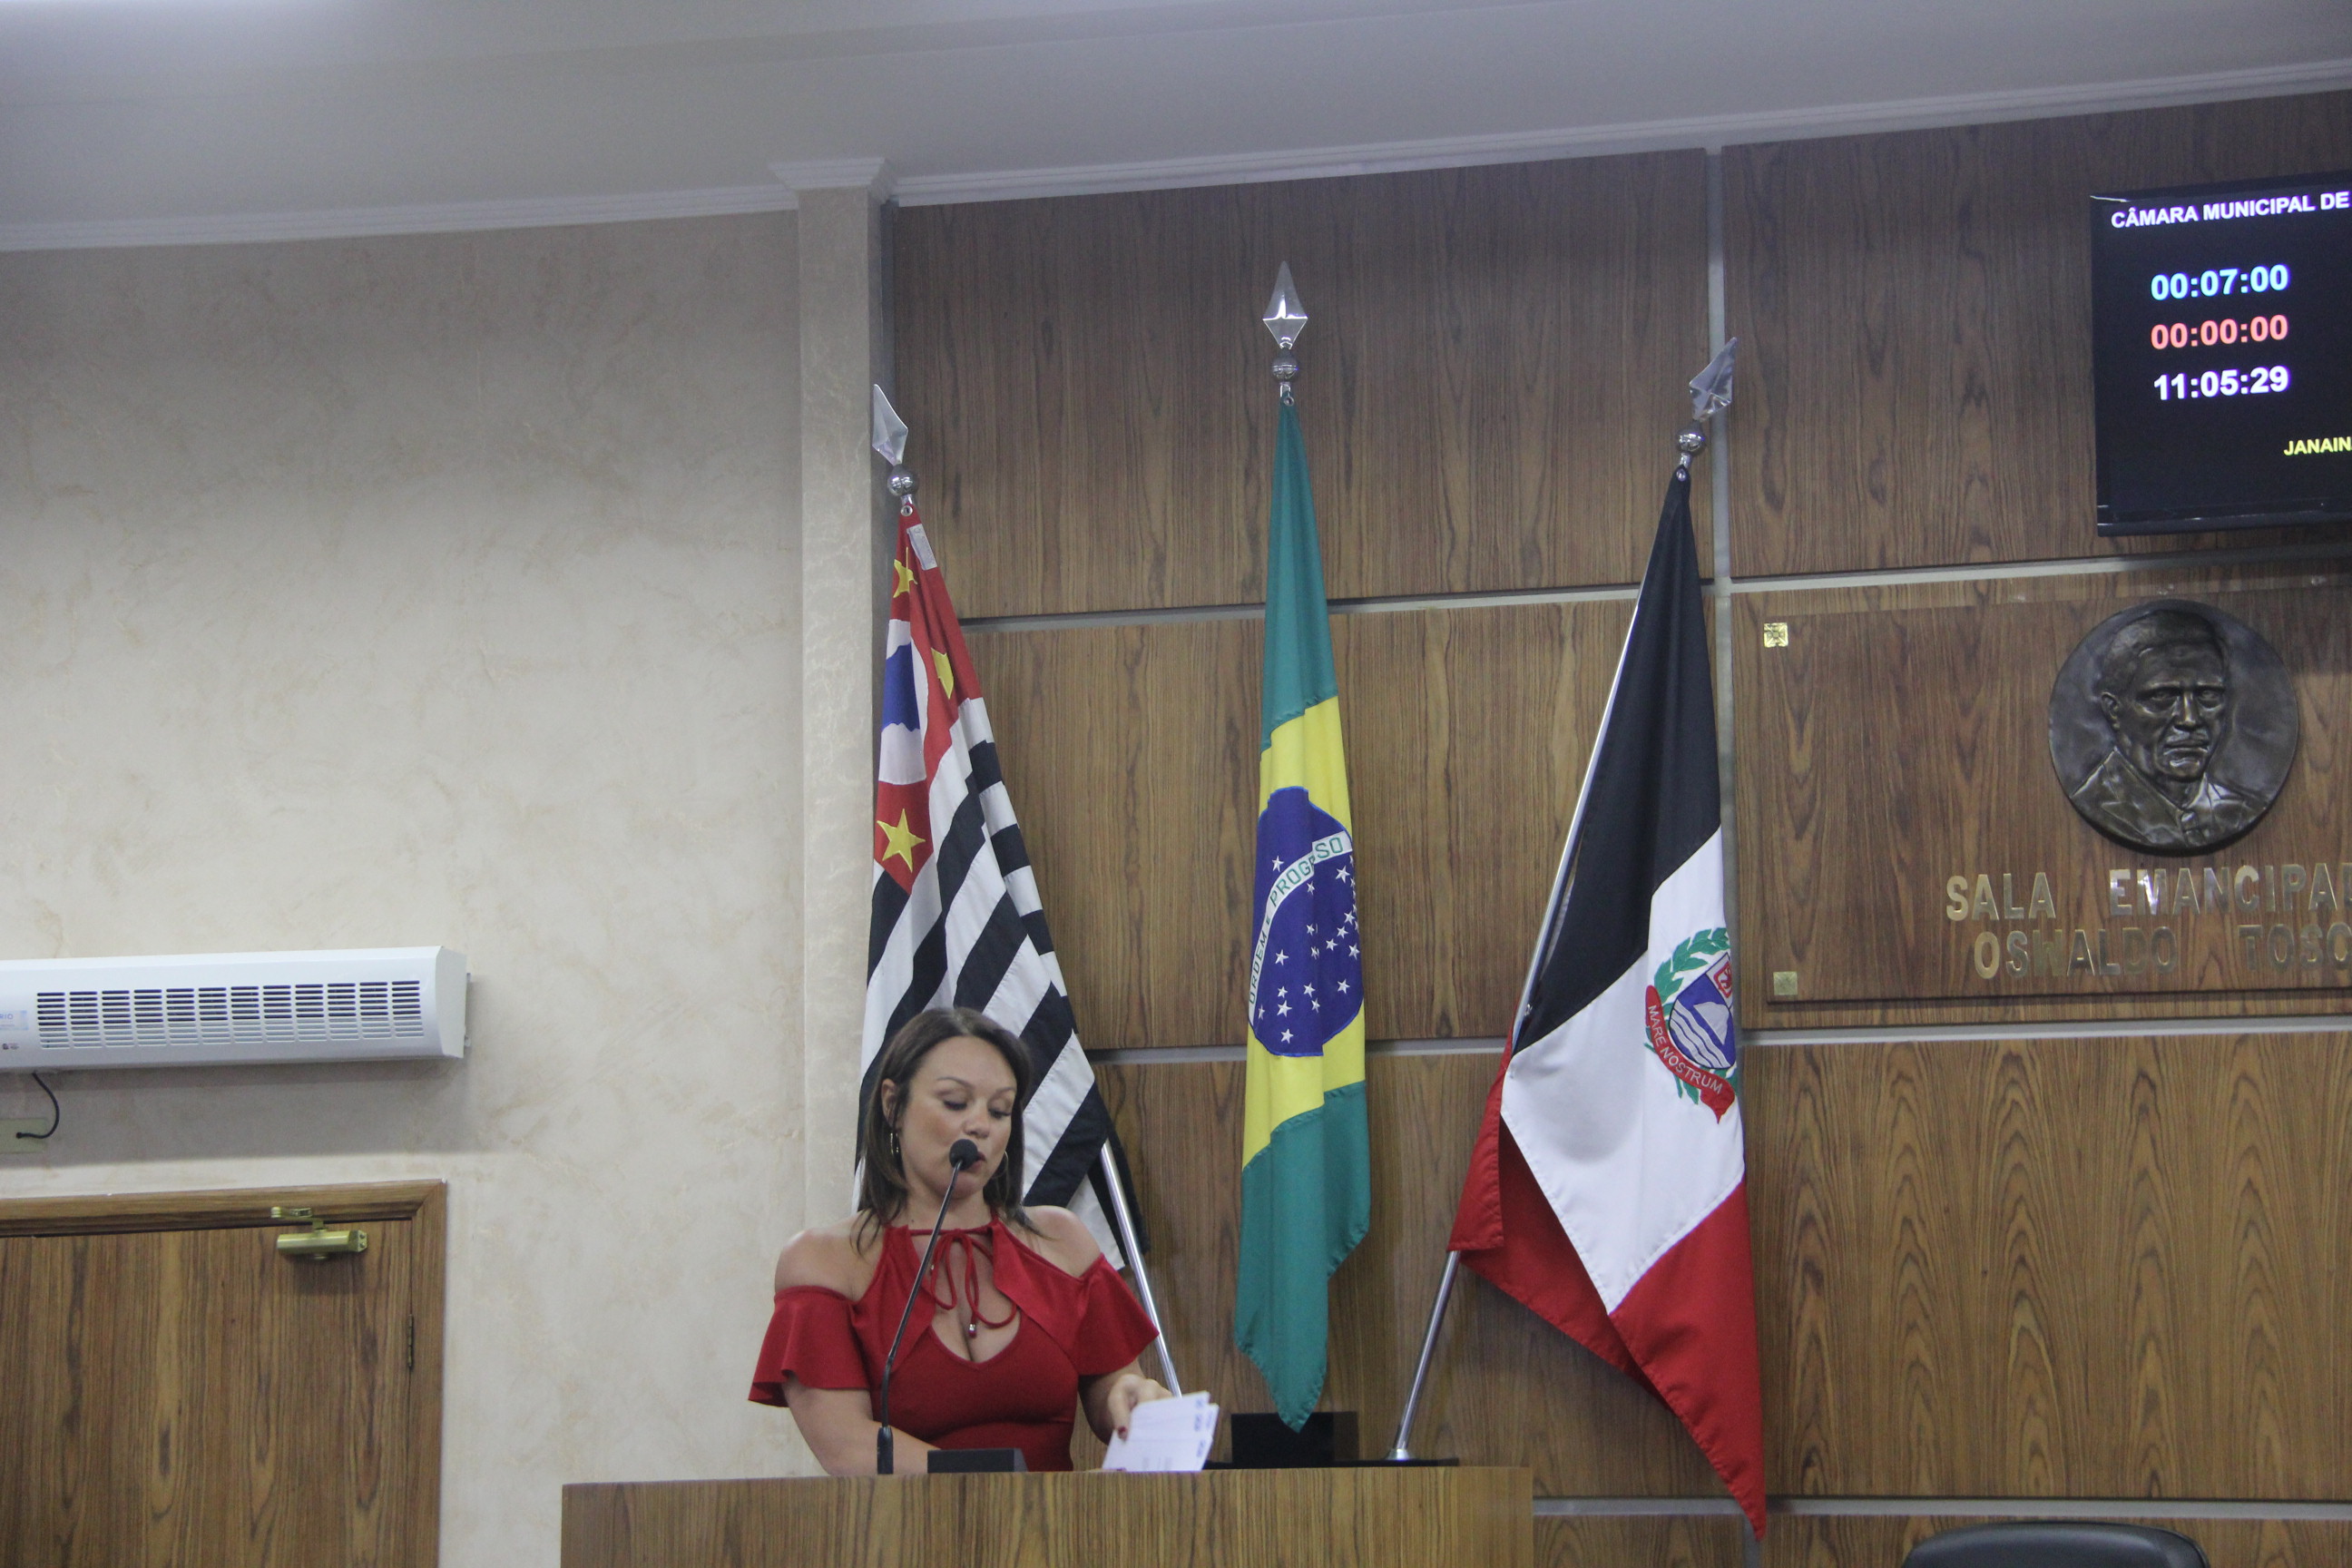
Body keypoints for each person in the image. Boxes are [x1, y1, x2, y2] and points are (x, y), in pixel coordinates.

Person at [750, 1006, 1172, 1473]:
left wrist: (1131, 1398)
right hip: (916, 1521)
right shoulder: (825, 1262)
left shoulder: (1062, 1241)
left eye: (1000, 1110)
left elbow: (1111, 1393)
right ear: (892, 1105)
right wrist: (1011, 1494)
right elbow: (847, 1445)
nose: (980, 1126)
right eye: (955, 1103)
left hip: (1058, 1519)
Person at [2069, 606, 2261, 851]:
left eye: (2208, 695)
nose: (2190, 719)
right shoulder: (2096, 805)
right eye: (2162, 696)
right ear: (2114, 711)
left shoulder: (2241, 812)